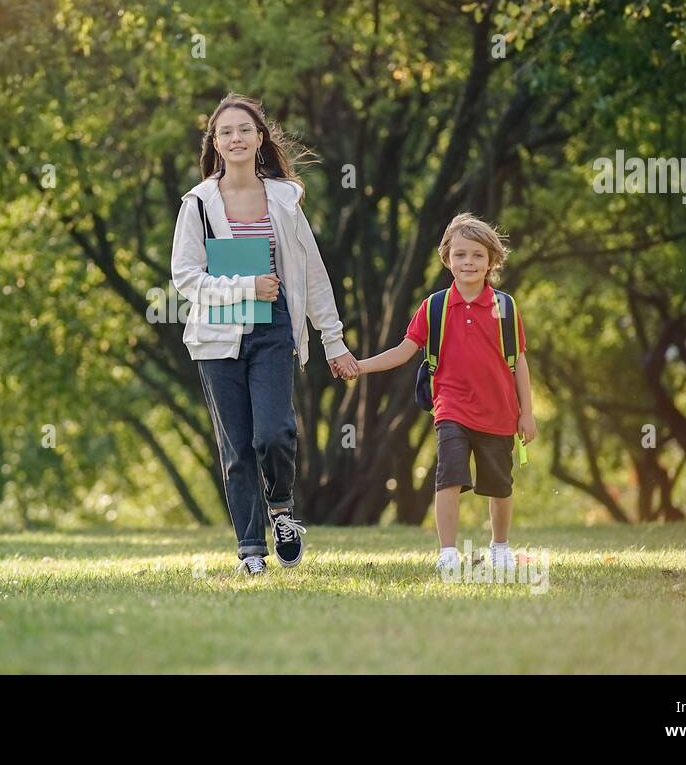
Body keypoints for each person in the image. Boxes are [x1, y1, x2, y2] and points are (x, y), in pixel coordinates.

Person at [170, 93, 359, 576]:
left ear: (259, 139)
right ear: (215, 142)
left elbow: (312, 273)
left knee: (274, 433)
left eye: (244, 130)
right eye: (225, 132)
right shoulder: (198, 204)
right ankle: (251, 551)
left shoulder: (284, 199)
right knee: (236, 449)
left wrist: (333, 340)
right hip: (217, 337)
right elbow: (186, 278)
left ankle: (281, 510)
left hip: (273, 326)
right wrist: (244, 285)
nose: (235, 138)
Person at [355, 214, 537, 571]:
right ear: (447, 259)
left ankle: (500, 547)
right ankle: (448, 553)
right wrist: (360, 366)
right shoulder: (434, 306)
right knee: (449, 477)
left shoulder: (505, 307)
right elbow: (404, 351)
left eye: (477, 255)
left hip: (499, 412)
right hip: (451, 408)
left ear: (491, 261)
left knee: (499, 487)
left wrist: (526, 413)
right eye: (460, 255)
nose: (468, 262)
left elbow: (519, 362)